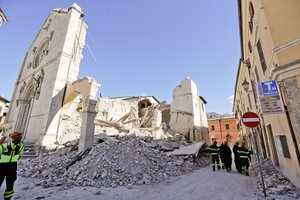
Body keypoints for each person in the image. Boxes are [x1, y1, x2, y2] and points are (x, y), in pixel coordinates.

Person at [0, 132, 24, 200]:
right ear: (13, 138)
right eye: (17, 138)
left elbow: (20, 155)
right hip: (2, 166)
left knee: (10, 184)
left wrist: (14, 159)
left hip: (12, 166)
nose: (19, 139)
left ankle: (7, 198)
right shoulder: (4, 145)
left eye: (20, 138)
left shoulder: (21, 146)